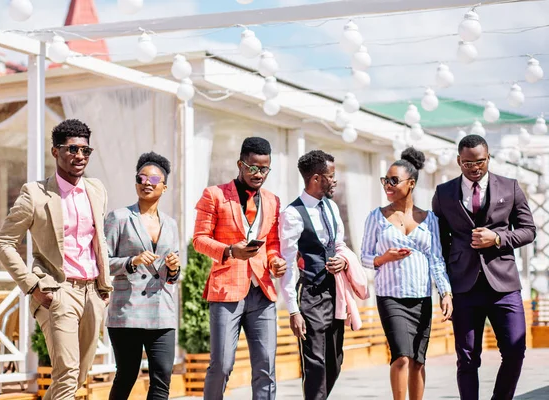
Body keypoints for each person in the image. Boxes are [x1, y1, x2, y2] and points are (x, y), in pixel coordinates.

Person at [0, 119, 112, 399]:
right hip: (58, 292)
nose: (80, 156)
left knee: (77, 375)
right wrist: (32, 285)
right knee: (67, 372)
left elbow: (98, 240)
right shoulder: (34, 194)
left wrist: (104, 287)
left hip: (93, 292)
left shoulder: (96, 190)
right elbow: (4, 243)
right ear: (55, 152)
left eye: (85, 150)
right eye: (72, 149)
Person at [432, 135, 536, 400]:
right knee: (466, 359)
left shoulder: (510, 187)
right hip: (463, 286)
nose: (474, 168)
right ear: (458, 161)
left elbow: (528, 231)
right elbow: (439, 243)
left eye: (480, 161)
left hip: (504, 284)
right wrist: (445, 287)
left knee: (515, 351)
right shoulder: (443, 193)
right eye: (468, 163)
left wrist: (499, 238)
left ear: (488, 158)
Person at [193, 137, 287, 400]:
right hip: (226, 290)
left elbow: (273, 243)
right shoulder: (214, 194)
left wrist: (275, 261)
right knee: (222, 365)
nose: (258, 174)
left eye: (264, 169)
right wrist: (230, 251)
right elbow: (199, 239)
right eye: (253, 167)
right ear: (240, 164)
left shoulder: (273, 201)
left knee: (266, 366)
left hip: (262, 292)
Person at [361, 147, 453, 400]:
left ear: (410, 183)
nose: (387, 185)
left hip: (421, 299)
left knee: (418, 361)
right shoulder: (376, 217)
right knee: (401, 356)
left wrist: (445, 293)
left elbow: (436, 260)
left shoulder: (430, 219)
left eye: (393, 180)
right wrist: (384, 258)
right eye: (385, 180)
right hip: (390, 297)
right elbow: (364, 257)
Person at [280, 150, 367, 400]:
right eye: (331, 176)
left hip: (335, 292)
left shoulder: (331, 207)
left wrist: (343, 260)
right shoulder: (292, 214)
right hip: (309, 294)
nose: (335, 180)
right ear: (316, 178)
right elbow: (287, 263)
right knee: (315, 364)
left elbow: (338, 243)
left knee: (335, 360)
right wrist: (293, 311)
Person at [104, 152, 181, 400]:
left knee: (162, 378)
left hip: (162, 311)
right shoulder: (119, 218)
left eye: (153, 178)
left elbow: (173, 275)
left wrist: (173, 268)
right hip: (127, 312)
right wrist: (131, 261)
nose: (146, 182)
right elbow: (102, 263)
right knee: (126, 374)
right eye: (141, 177)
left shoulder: (171, 224)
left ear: (164, 186)